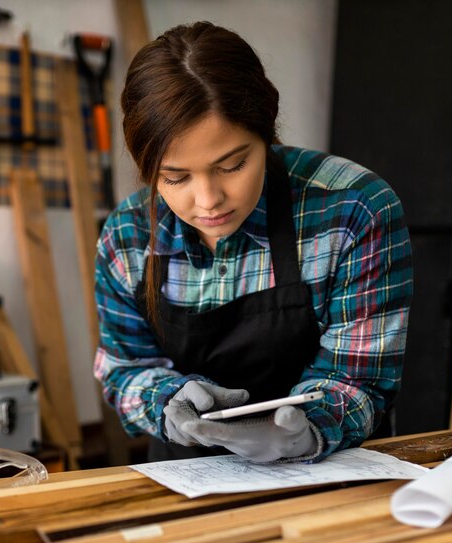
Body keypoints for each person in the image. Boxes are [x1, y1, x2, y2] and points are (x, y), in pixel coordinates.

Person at [94, 21, 413, 463]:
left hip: (332, 474)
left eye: (232, 165)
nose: (208, 201)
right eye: (175, 177)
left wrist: (306, 431)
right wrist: (166, 401)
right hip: (185, 478)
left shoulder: (353, 209)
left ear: (267, 132)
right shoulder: (128, 236)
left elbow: (361, 378)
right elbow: (124, 369)